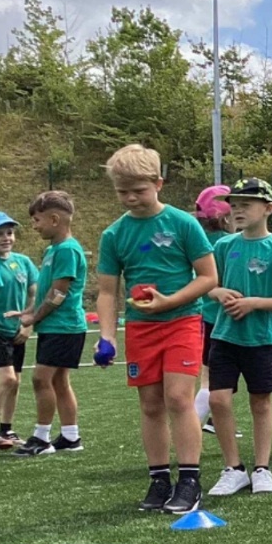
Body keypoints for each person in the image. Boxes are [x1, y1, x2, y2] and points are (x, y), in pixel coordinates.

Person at [93, 144, 220, 513]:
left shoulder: (183, 223)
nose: (130, 198)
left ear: (158, 183)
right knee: (150, 405)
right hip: (140, 329)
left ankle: (190, 481)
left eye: (139, 190)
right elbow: (107, 292)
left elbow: (208, 277)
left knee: (178, 398)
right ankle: (159, 479)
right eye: (122, 191)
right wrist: (106, 336)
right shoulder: (114, 235)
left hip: (182, 321)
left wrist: (170, 301)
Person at [204, 178, 272, 497]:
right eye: (234, 206)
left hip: (260, 339)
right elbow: (206, 284)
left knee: (260, 402)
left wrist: (253, 303)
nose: (238, 211)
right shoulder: (223, 246)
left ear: (269, 208)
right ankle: (234, 469)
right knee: (218, 399)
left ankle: (262, 469)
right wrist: (218, 292)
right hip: (223, 336)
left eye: (246, 205)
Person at [11, 191, 88, 456]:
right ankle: (70, 436)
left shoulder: (67, 250)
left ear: (54, 219)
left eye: (37, 220)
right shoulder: (53, 250)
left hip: (64, 327)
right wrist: (28, 311)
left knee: (40, 378)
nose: (34, 226)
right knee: (58, 381)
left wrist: (34, 318)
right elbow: (47, 291)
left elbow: (58, 294)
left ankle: (41, 438)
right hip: (56, 326)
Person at [0, 211, 35, 450]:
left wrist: (28, 323)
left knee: (15, 382)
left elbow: (35, 293)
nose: (6, 238)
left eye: (9, 233)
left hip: (17, 331)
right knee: (7, 378)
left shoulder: (22, 262)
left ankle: (6, 429)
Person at [193, 185, 236, 436]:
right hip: (221, 318)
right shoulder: (226, 243)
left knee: (213, 379)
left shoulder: (198, 239)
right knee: (212, 382)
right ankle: (190, 430)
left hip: (203, 317)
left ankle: (213, 422)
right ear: (225, 217)